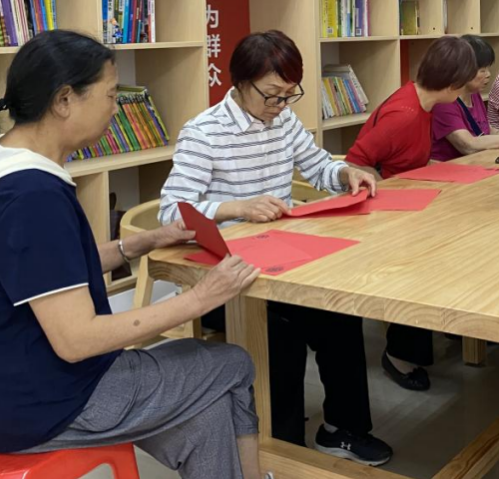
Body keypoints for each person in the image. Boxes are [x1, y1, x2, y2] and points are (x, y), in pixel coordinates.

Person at [0, 31, 266, 479]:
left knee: (205, 414)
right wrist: (200, 299)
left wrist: (136, 244)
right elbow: (77, 340)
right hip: (50, 404)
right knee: (232, 363)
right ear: (64, 100)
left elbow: (43, 275)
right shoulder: (31, 195)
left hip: (1, 400)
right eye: (111, 95)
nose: (116, 109)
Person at [158, 30, 392, 467]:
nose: (280, 105)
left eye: (289, 94)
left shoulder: (283, 120)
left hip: (284, 259)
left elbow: (318, 166)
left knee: (339, 311)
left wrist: (346, 174)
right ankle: (282, 447)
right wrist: (237, 207)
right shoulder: (204, 132)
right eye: (271, 94)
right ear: (240, 82)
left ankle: (342, 429)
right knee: (281, 329)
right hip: (225, 277)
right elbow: (172, 211)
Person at [345, 36, 477, 392]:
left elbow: (410, 159)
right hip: (387, 213)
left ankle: (454, 322)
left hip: (410, 203)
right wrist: (389, 197)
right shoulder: (404, 114)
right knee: (430, 257)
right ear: (452, 84)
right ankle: (400, 353)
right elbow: (355, 163)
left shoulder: (422, 103)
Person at [430, 34, 499, 162]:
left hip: (476, 162)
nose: (488, 75)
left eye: (488, 69)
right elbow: (468, 145)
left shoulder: (474, 93)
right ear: (463, 69)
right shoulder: (444, 102)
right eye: (482, 70)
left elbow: (486, 130)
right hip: (450, 168)